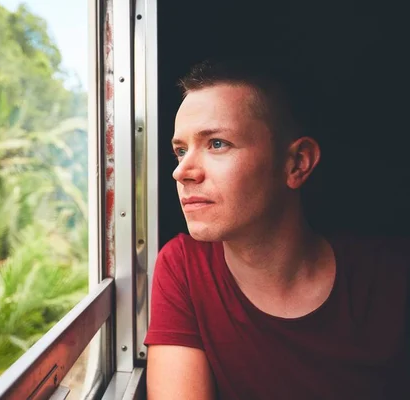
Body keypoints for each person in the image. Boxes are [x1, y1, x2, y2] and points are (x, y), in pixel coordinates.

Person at [144, 59, 409, 400]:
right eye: (180, 150)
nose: (181, 172)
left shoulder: (391, 277)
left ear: (297, 163)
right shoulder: (184, 266)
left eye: (217, 144)